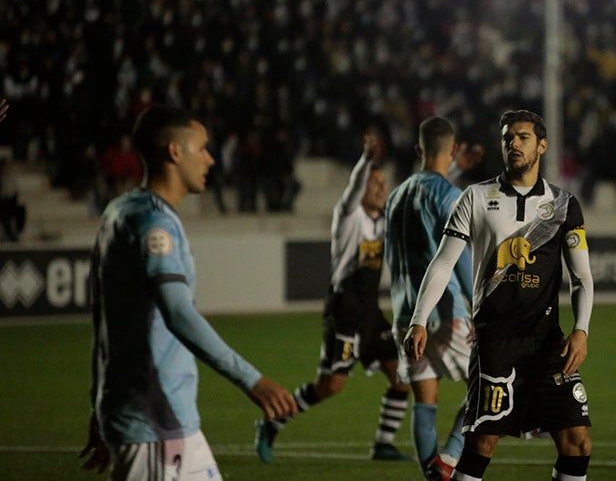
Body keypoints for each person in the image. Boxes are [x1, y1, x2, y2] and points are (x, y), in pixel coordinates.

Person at [79, 104, 298, 479]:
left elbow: (105, 325)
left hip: (164, 424)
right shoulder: (154, 223)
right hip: (154, 425)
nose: (211, 159)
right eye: (203, 148)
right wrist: (253, 381)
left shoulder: (120, 211)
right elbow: (178, 312)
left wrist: (100, 405)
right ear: (175, 152)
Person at [404, 109, 595, 481]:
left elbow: (582, 277)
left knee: (577, 442)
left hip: (547, 344)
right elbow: (442, 264)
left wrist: (582, 329)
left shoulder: (563, 205)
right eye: (508, 138)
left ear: (542, 145)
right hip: (495, 342)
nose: (514, 144)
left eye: (523, 137)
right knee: (482, 444)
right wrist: (419, 319)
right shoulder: (475, 198)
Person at [254, 132, 412, 463]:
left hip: (370, 311)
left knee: (402, 376)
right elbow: (355, 187)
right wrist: (366, 161)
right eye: (375, 184)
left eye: (383, 184)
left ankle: (383, 444)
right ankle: (272, 422)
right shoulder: (349, 216)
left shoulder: (381, 221)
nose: (381, 189)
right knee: (330, 386)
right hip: (345, 311)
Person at [385, 117, 480, 480]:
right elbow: (456, 260)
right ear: (453, 150)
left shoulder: (395, 197)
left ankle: (433, 476)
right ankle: (452, 456)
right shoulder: (451, 196)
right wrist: (479, 305)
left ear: (418, 150)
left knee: (424, 405)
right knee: (491, 383)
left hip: (408, 317)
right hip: (448, 311)